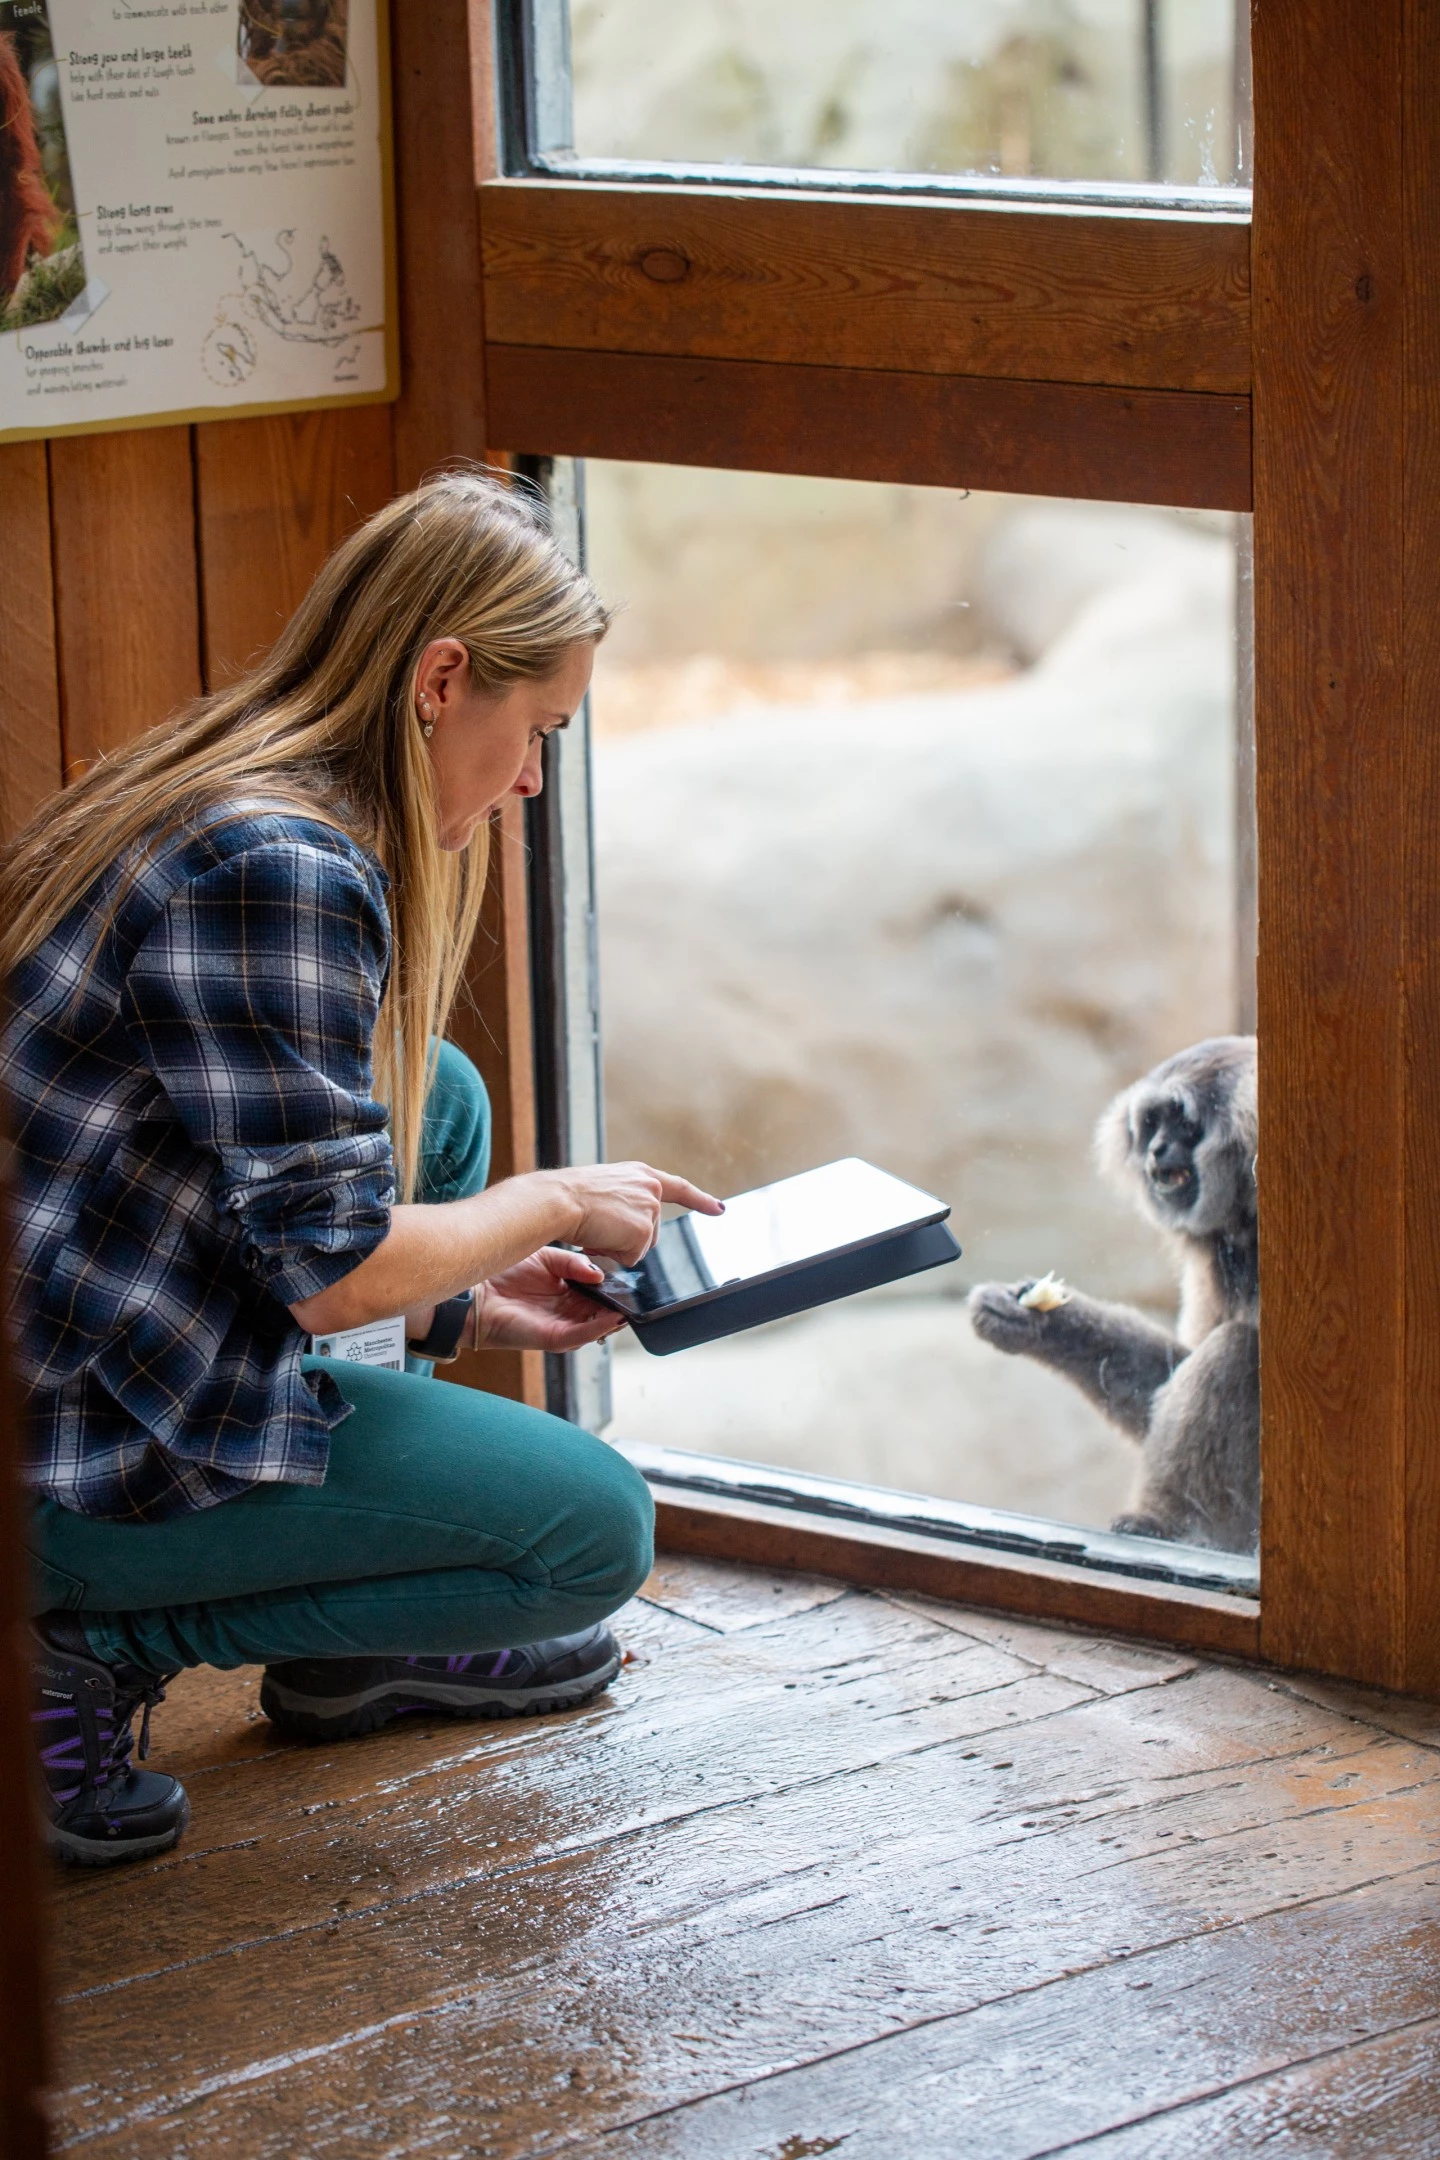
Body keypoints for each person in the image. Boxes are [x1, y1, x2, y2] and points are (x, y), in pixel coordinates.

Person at [2, 470, 719, 1867]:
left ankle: (353, 1634)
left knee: (432, 1100)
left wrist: (465, 1300)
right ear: (444, 678)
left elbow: (273, 1199)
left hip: (91, 1315)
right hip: (59, 1456)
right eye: (536, 736)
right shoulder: (279, 867)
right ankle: (76, 1640)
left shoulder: (238, 771)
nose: (528, 784)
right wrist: (555, 1201)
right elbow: (332, 1279)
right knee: (588, 1532)